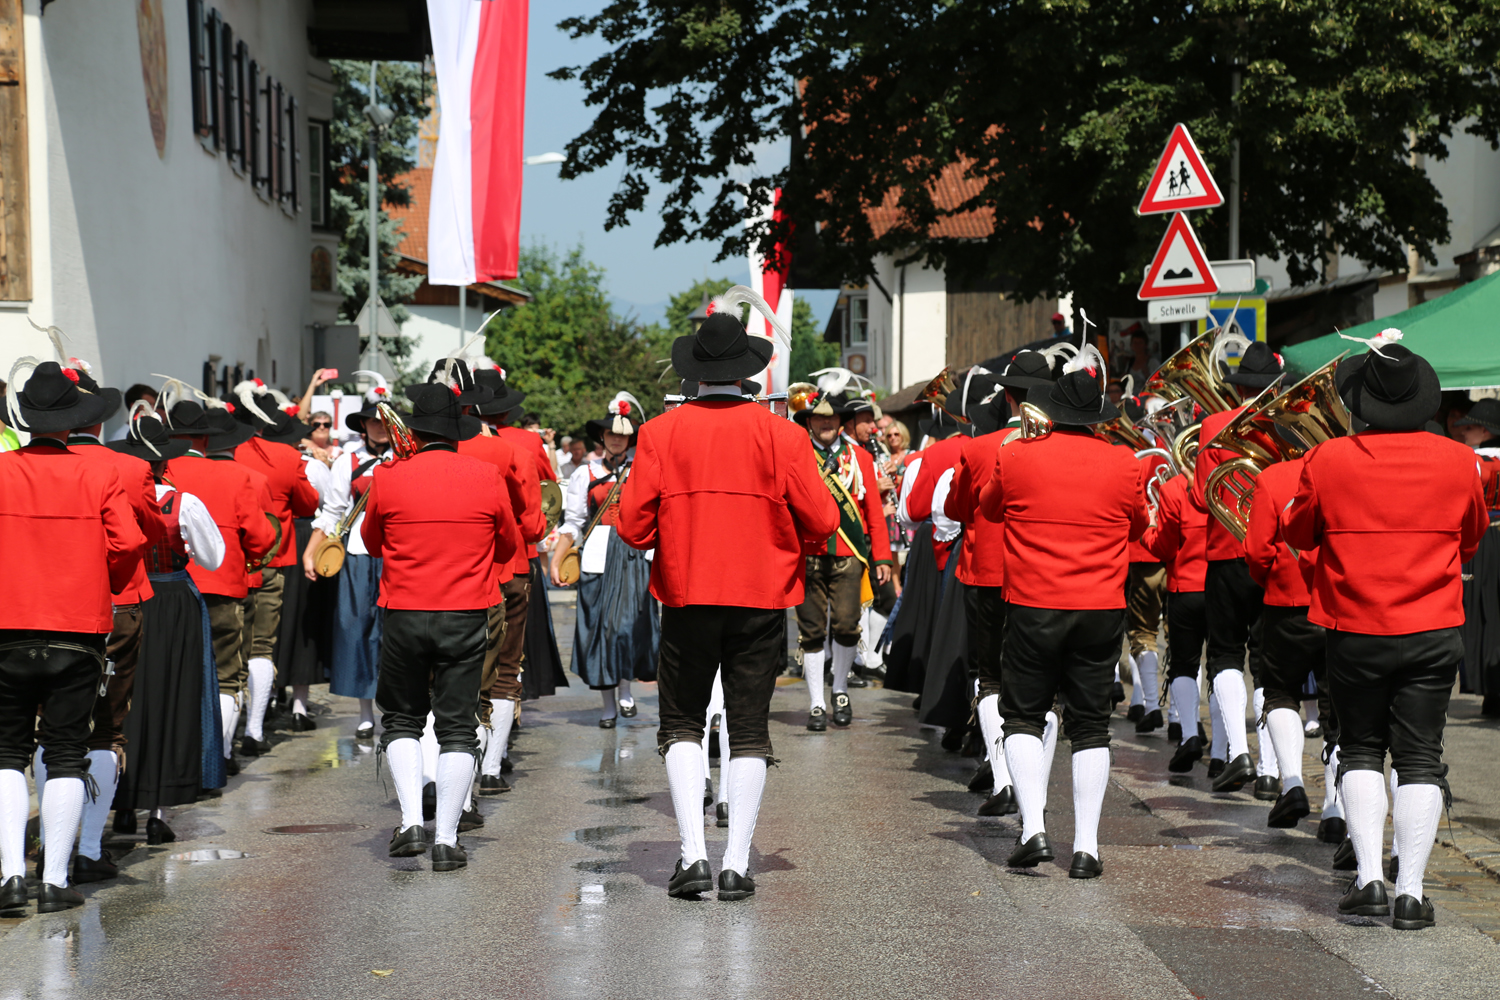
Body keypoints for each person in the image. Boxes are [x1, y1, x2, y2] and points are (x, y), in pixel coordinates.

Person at [617, 297, 838, 900]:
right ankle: (737, 863)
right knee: (747, 728)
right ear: (747, 372)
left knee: (683, 724)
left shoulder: (659, 433)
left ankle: (692, 856)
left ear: (694, 372)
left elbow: (633, 529)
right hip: (761, 600)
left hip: (687, 598)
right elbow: (823, 519)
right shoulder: (784, 435)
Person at [1283, 340, 1486, 930]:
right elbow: (1469, 537)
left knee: (1362, 748)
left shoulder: (1328, 459)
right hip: (1432, 626)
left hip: (1356, 628)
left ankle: (1371, 880)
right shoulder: (1458, 460)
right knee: (1422, 756)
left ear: (1363, 401)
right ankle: (1411, 893)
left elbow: (1300, 529)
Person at [978, 354, 1148, 879]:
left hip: (1033, 603)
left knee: (1024, 716)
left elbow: (987, 508)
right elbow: (1140, 526)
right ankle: (1088, 848)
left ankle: (1033, 830)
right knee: (1091, 725)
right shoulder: (1126, 462)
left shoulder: (1017, 455)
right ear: (1098, 418)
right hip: (1099, 607)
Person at [0, 360, 146, 916]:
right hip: (75, 628)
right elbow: (128, 544)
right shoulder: (99, 474)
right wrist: (95, 577)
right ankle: (55, 880)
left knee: (6, 752)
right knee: (65, 751)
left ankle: (12, 875)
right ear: (73, 422)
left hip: (6, 628)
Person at [363, 380, 520, 873]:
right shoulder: (487, 475)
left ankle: (411, 821)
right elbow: (510, 545)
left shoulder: (388, 477)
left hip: (405, 612)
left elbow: (371, 543)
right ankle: (447, 839)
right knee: (457, 727)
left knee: (403, 719)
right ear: (459, 430)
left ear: (414, 427)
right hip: (465, 613)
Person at [39, 365, 164, 878]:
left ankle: (50, 849)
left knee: (49, 732)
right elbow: (148, 533)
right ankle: (88, 847)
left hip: (42, 608)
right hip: (116, 603)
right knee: (106, 730)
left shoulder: (17, 466)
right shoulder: (128, 468)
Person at [945, 351, 1057, 816]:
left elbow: (955, 509)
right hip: (1042, 576)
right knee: (1039, 683)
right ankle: (1036, 792)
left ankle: (1004, 778)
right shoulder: (1060, 446)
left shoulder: (975, 448)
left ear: (1007, 395)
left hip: (986, 573)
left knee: (989, 677)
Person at [109, 410, 227, 844]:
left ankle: (121, 806)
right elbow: (213, 558)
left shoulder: (115, 494)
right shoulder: (184, 502)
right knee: (173, 698)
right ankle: (158, 811)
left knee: (127, 700)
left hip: (126, 598)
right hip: (174, 601)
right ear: (165, 461)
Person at [163, 394, 278, 776]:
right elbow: (261, 538)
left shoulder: (162, 471)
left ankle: (177, 759)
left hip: (169, 587)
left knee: (174, 676)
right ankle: (220, 755)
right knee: (227, 676)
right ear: (207, 439)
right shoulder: (238, 475)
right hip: (224, 584)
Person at [1190, 341, 1284, 793]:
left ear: (1239, 386)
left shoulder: (1211, 424)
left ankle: (1239, 753)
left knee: (1225, 654)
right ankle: (1269, 771)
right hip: (1271, 556)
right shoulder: (1284, 428)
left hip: (1225, 553)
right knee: (1268, 665)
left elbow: (1197, 496)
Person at [459, 364, 545, 790]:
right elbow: (533, 527)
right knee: (507, 668)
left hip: (455, 573)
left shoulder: (443, 449)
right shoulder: (520, 450)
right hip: (509, 570)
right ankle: (491, 769)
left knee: (457, 673)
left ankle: (459, 774)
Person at [1244, 450, 1337, 833]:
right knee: (1339, 710)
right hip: (1337, 602)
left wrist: (1272, 581)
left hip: (1287, 601)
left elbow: (1256, 550)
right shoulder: (1342, 465)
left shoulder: (1272, 476)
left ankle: (1294, 784)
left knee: (1279, 692)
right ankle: (1335, 812)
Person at [552, 392, 658, 727]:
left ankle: (626, 690)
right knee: (602, 630)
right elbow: (572, 522)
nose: (616, 439)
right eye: (611, 433)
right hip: (597, 554)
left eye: (623, 434)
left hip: (635, 553)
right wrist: (556, 561)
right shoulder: (585, 474)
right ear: (603, 436)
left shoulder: (644, 470)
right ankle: (609, 703)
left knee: (629, 626)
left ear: (630, 438)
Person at [792, 388, 894, 730]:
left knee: (848, 626)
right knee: (811, 631)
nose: (825, 422)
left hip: (849, 554)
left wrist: (882, 557)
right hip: (807, 553)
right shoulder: (798, 454)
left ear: (841, 422)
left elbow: (874, 514)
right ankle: (817, 703)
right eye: (819, 417)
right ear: (809, 421)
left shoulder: (860, 458)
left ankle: (839, 691)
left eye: (831, 417)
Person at [304, 376, 398, 739]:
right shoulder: (347, 462)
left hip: (395, 554)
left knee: (393, 633)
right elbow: (333, 511)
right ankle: (363, 710)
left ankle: (394, 708)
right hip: (358, 554)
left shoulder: (406, 458)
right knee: (355, 627)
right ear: (363, 426)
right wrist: (312, 552)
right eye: (373, 421)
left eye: (384, 420)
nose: (378, 426)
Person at [229, 386, 321, 743]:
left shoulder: (227, 452)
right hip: (270, 559)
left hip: (225, 563)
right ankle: (254, 728)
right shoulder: (287, 457)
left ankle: (227, 733)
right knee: (262, 646)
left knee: (228, 650)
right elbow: (309, 503)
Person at [1141, 470, 1211, 773]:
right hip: (1220, 586)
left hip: (1185, 587)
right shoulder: (1228, 479)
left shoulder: (1173, 489)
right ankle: (1223, 752)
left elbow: (1164, 547)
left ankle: (1190, 734)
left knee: (1184, 664)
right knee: (1223, 666)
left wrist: (1149, 529)